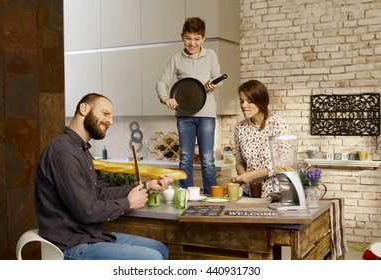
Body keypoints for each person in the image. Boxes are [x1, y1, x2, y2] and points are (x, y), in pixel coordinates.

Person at [35, 93, 171, 260]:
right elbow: (87, 211)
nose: (110, 121)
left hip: (91, 236)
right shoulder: (63, 152)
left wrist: (148, 186)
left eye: (111, 117)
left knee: (160, 249)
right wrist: (128, 203)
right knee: (152, 258)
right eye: (105, 114)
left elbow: (100, 192)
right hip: (71, 245)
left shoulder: (82, 151)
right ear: (84, 108)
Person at [156, 17, 224, 195]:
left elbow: (219, 79)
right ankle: (185, 195)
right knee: (185, 157)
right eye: (188, 38)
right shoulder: (176, 59)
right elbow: (162, 82)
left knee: (207, 158)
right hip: (184, 115)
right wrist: (165, 98)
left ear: (203, 38)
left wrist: (213, 84)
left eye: (196, 39)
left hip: (207, 114)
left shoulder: (210, 55)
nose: (192, 43)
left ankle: (211, 195)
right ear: (182, 37)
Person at [232, 80, 290, 198]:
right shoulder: (240, 127)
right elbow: (239, 160)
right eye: (241, 101)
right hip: (249, 193)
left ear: (261, 101)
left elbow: (283, 164)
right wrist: (244, 177)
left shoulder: (278, 124)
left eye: (249, 101)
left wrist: (252, 175)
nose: (243, 106)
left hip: (275, 194)